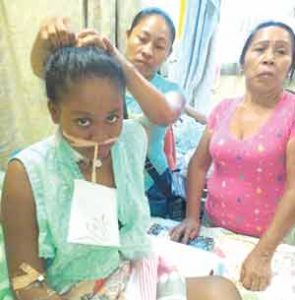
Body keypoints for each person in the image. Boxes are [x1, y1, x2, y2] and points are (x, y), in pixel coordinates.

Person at [1, 46, 241, 300]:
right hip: (72, 292)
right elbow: (27, 284)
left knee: (222, 292)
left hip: (130, 270)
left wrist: (121, 64)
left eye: (112, 117)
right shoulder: (27, 174)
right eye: (84, 121)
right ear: (54, 111)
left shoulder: (129, 140)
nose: (102, 137)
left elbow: (165, 114)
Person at [30, 8, 205, 218]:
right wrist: (45, 42)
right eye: (142, 38)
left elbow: (165, 114)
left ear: (168, 53)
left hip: (150, 188)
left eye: (159, 46)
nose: (148, 51)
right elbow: (51, 76)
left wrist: (117, 58)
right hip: (101, 181)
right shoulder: (103, 80)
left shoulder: (172, 90)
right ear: (128, 35)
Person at [171, 20, 295, 292]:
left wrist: (264, 253)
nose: (269, 58)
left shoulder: (292, 114)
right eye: (260, 49)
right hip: (214, 227)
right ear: (243, 62)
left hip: (270, 241)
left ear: (290, 67)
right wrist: (193, 216)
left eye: (282, 52)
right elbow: (198, 165)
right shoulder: (222, 109)